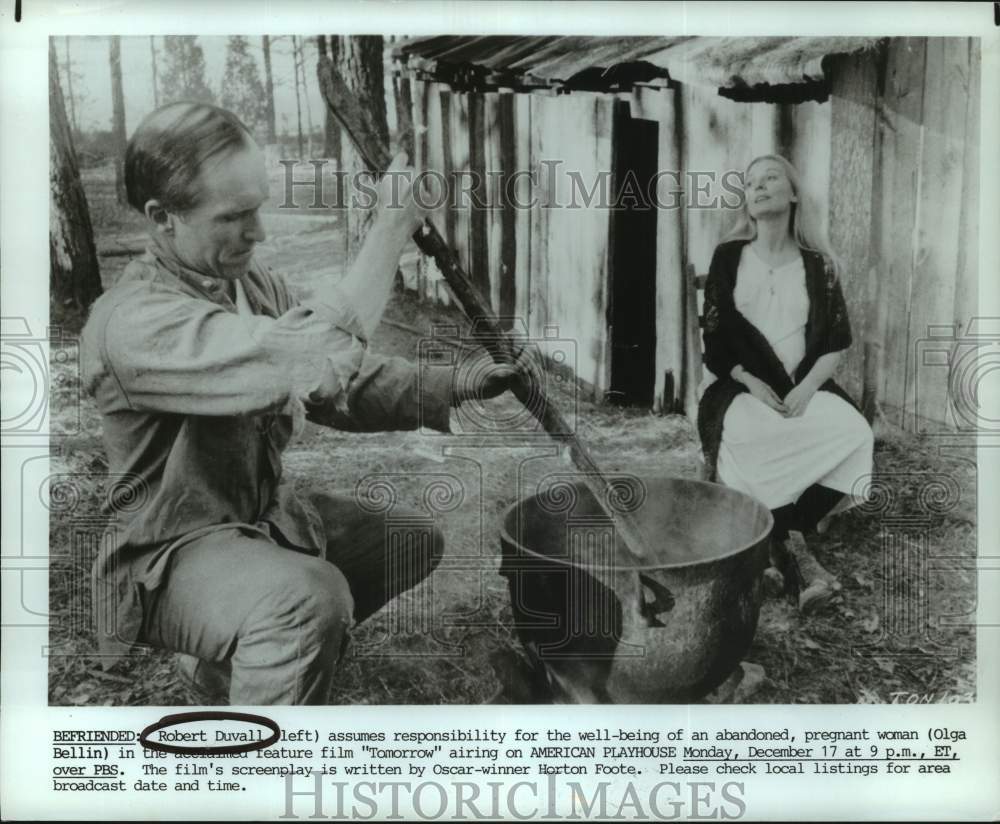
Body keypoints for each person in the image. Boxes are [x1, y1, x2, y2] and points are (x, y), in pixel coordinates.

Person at [81, 102, 521, 704]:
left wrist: (460, 383)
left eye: (257, 208)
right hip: (169, 557)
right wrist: (390, 230)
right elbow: (315, 356)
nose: (257, 233)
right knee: (306, 600)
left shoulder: (250, 284)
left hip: (259, 522)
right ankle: (264, 764)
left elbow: (336, 383)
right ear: (162, 218)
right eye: (233, 216)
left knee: (408, 539)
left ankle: (231, 661)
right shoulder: (133, 322)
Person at [696, 154, 874, 614]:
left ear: (793, 193)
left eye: (770, 178)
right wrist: (750, 382)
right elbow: (714, 341)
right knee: (751, 433)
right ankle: (791, 545)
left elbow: (836, 343)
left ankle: (774, 536)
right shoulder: (729, 256)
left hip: (802, 386)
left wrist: (808, 389)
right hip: (742, 388)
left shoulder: (820, 265)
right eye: (750, 182)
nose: (758, 187)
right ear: (747, 203)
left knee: (854, 434)